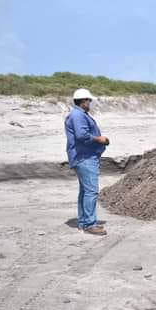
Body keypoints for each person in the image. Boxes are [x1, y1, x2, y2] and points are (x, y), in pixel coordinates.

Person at [65, 88, 110, 235]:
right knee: (91, 191)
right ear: (83, 101)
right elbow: (81, 135)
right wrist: (100, 139)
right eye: (89, 100)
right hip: (84, 157)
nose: (90, 103)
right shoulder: (78, 115)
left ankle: (84, 222)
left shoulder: (78, 114)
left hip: (83, 156)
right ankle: (89, 224)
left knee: (85, 191)